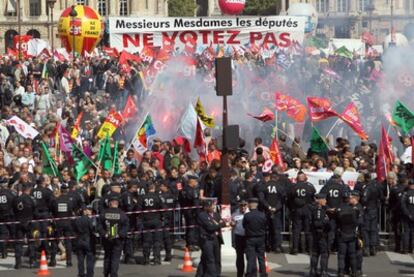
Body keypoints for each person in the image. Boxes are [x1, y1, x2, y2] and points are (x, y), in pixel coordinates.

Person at [98, 194, 129, 277]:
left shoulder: (104, 213)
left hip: (107, 238)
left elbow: (99, 225)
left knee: (107, 256)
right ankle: (114, 274)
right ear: (117, 203)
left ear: (110, 203)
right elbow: (126, 225)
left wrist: (104, 234)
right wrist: (120, 234)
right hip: (117, 239)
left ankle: (106, 273)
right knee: (115, 258)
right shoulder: (122, 214)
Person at [196, 199, 228, 277]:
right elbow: (210, 227)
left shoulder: (216, 214)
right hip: (207, 239)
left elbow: (223, 223)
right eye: (211, 205)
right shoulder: (202, 215)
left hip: (216, 239)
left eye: (213, 205)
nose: (213, 207)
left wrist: (218, 224)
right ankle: (211, 274)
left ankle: (213, 273)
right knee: (210, 259)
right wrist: (218, 225)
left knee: (216, 258)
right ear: (206, 207)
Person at [336, 191, 362, 277]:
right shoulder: (354, 209)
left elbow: (337, 220)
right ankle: (353, 271)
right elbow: (358, 221)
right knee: (352, 254)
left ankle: (342, 271)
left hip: (344, 233)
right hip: (351, 234)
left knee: (342, 255)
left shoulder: (340, 209)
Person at [320, 174, 349, 251]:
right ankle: (336, 247)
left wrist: (328, 208)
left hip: (330, 211)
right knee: (338, 229)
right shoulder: (343, 187)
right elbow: (346, 199)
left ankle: (330, 247)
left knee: (331, 229)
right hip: (339, 211)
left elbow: (321, 198)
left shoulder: (327, 186)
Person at [50, 182, 76, 267]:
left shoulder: (55, 200)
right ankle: (69, 261)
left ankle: (53, 261)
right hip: (67, 222)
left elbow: (52, 211)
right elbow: (72, 211)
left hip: (58, 223)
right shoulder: (70, 201)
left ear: (61, 190)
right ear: (67, 190)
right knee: (68, 242)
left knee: (55, 241)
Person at [289, 171, 316, 254]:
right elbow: (313, 195)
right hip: (307, 209)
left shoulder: (293, 186)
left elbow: (290, 197)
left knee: (296, 230)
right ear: (304, 178)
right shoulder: (309, 186)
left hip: (297, 209)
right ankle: (309, 249)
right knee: (308, 229)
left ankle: (295, 248)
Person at [258, 173, 286, 253]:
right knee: (277, 229)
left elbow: (261, 199)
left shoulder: (263, 186)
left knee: (266, 229)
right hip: (276, 211)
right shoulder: (280, 187)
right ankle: (277, 246)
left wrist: (268, 207)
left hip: (266, 211)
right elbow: (283, 200)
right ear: (277, 178)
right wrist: (276, 208)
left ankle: (267, 245)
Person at [13, 182, 37, 269]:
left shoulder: (16, 199)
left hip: (19, 222)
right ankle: (32, 261)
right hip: (29, 222)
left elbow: (14, 210)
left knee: (18, 243)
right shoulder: (31, 199)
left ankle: (18, 263)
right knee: (31, 242)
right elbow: (35, 210)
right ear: (29, 189)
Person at [139, 183, 164, 265]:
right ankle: (157, 259)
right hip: (156, 220)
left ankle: (146, 258)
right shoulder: (157, 197)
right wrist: (162, 218)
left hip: (146, 220)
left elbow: (139, 209)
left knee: (146, 241)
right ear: (154, 188)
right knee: (157, 240)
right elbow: (162, 208)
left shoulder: (143, 197)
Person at [243, 197, 268, 277]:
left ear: (250, 205)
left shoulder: (247, 216)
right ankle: (263, 273)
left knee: (251, 258)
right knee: (261, 257)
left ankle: (250, 274)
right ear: (257, 205)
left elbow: (244, 226)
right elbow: (265, 226)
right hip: (260, 238)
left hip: (250, 238)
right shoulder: (262, 215)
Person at [309, 193, 330, 277]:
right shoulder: (318, 209)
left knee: (315, 253)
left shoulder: (322, 208)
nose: (326, 201)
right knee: (323, 253)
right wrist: (325, 222)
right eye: (324, 199)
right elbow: (317, 223)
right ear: (320, 200)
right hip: (320, 234)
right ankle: (323, 272)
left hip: (317, 234)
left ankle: (313, 271)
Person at [73, 206, 96, 277]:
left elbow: (74, 230)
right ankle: (89, 274)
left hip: (79, 240)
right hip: (88, 240)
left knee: (80, 259)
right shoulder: (89, 220)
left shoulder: (77, 220)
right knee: (90, 259)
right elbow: (92, 230)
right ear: (84, 211)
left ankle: (81, 273)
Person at [231, 200, 249, 277]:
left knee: (249, 257)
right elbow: (232, 224)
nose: (243, 207)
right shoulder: (235, 213)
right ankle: (240, 274)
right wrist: (232, 223)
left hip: (248, 237)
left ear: (247, 205)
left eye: (244, 205)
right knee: (239, 257)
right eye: (241, 205)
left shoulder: (249, 213)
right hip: (238, 237)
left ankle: (249, 273)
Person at [159, 181, 176, 262]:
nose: (160, 187)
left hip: (164, 218)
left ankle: (167, 254)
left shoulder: (161, 196)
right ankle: (168, 254)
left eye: (162, 186)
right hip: (169, 217)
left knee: (164, 237)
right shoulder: (171, 196)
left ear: (166, 187)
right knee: (167, 237)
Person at [401, 179, 414, 254]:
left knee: (406, 232)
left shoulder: (406, 194)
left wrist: (408, 214)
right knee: (412, 233)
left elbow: (403, 205)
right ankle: (411, 248)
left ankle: (405, 249)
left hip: (407, 216)